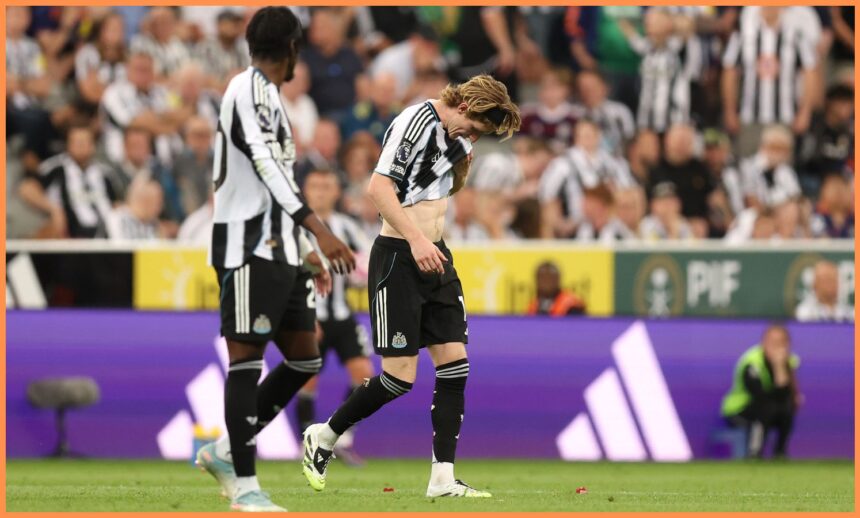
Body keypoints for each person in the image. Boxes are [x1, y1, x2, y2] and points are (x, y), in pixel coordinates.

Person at [301, 74, 520, 498]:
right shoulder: (415, 121)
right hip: (399, 258)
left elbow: (436, 188)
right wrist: (417, 240)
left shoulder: (458, 137)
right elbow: (378, 188)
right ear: (467, 107)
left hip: (434, 254)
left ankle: (442, 478)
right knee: (398, 379)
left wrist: (459, 172)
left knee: (455, 365)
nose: (473, 137)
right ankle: (324, 436)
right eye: (475, 128)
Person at [192, 8, 355, 512]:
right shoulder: (247, 88)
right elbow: (265, 166)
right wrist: (320, 228)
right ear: (291, 48)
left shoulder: (272, 98)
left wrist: (305, 249)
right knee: (246, 359)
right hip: (246, 247)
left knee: (305, 355)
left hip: (282, 249)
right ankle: (243, 484)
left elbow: (274, 182)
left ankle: (223, 452)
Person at [294, 169, 375, 467]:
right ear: (306, 191)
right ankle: (306, 443)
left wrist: (358, 274)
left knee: (365, 375)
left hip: (341, 314)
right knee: (306, 379)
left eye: (327, 186)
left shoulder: (348, 227)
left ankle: (340, 439)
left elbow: (366, 262)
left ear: (337, 192)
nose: (321, 192)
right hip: (308, 313)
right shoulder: (297, 228)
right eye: (315, 185)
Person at [18, 126, 117, 239]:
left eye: (85, 142)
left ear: (93, 146)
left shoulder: (105, 173)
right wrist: (53, 209)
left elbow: (115, 204)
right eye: (77, 142)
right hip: (69, 237)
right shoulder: (55, 168)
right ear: (68, 145)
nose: (81, 146)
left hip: (107, 238)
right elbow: (27, 188)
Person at [721, 324, 801, 458]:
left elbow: (789, 395)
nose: (777, 347)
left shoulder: (789, 361)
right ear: (764, 342)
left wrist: (779, 368)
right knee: (765, 410)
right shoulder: (752, 362)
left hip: (769, 407)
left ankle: (780, 453)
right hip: (738, 410)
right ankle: (754, 454)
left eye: (781, 343)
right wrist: (778, 370)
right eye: (773, 342)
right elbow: (760, 397)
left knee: (787, 410)